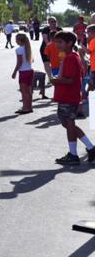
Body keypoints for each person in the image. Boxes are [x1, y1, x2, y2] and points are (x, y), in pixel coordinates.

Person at [50, 32, 95, 166]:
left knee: (69, 124)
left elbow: (70, 80)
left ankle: (73, 154)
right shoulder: (71, 56)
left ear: (69, 43)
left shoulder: (70, 58)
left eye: (60, 42)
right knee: (68, 123)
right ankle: (90, 148)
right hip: (69, 96)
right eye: (56, 42)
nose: (57, 45)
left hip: (68, 96)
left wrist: (56, 80)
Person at [12, 32, 35, 114]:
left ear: (20, 41)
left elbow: (19, 63)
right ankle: (29, 107)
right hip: (30, 71)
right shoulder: (28, 48)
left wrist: (14, 72)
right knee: (29, 91)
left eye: (16, 39)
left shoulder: (19, 50)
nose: (15, 41)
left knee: (24, 91)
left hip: (23, 72)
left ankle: (25, 108)